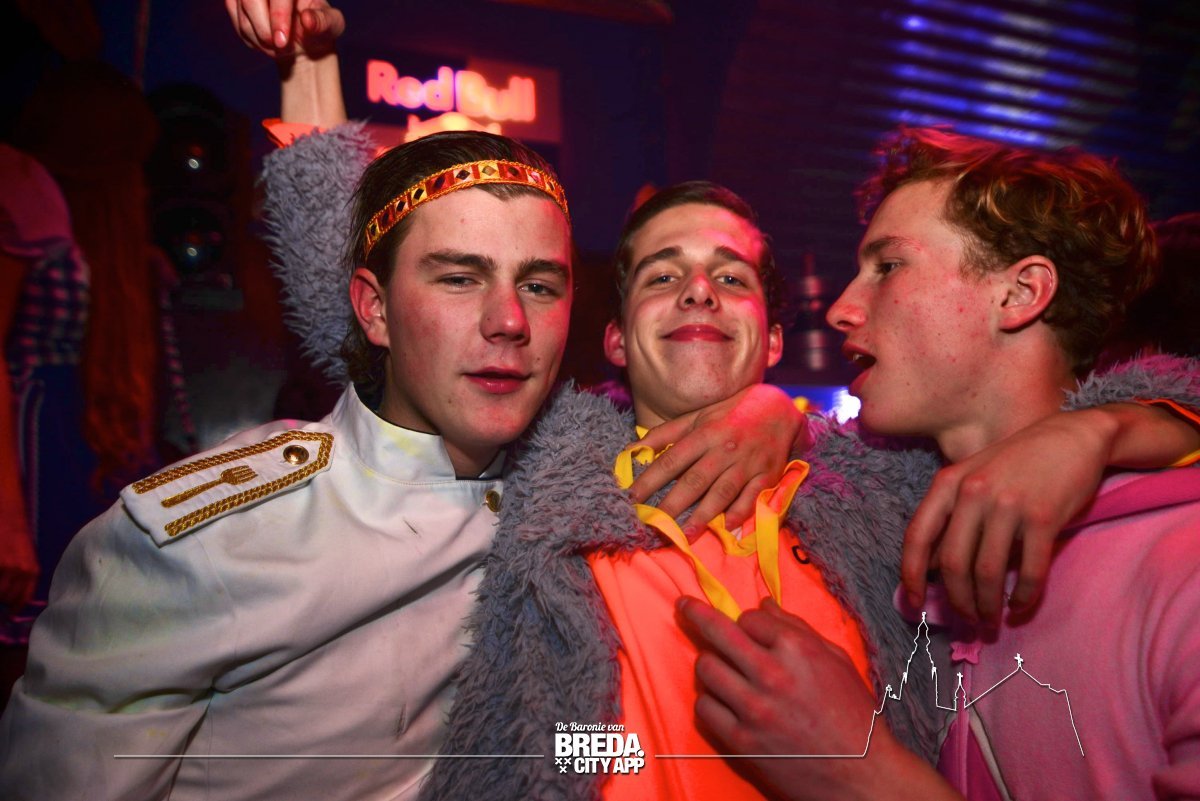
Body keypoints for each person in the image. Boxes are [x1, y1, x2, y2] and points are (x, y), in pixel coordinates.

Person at [680, 128, 1200, 800]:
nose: (841, 309)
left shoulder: (1180, 565)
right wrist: (770, 408)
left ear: (1020, 294)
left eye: (889, 266)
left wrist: (861, 773)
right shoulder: (894, 537)